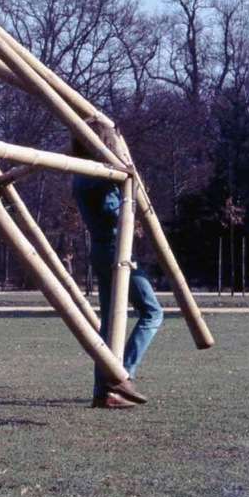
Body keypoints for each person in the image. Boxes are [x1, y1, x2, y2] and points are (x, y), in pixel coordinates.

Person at [71, 122, 161, 409]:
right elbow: (128, 183)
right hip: (114, 249)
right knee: (152, 312)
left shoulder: (81, 175)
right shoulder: (100, 175)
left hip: (102, 248)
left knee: (110, 321)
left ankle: (103, 392)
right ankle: (122, 376)